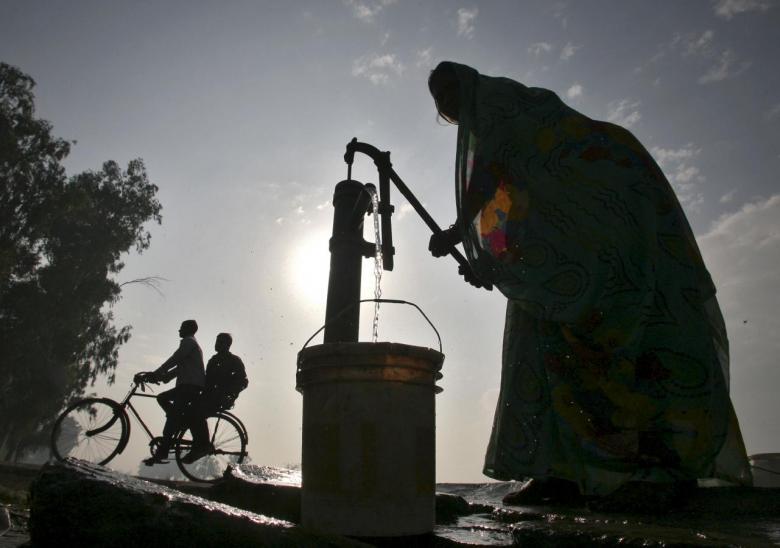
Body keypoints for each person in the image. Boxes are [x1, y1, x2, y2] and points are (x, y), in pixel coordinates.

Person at [427, 61, 752, 510]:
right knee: (540, 332)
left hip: (617, 216)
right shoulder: (511, 127)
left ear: (464, 88)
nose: (451, 111)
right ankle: (558, 473)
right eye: (443, 107)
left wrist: (461, 232)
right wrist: (492, 263)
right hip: (566, 247)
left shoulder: (502, 103)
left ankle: (665, 470)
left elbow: (494, 171)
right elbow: (511, 199)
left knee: (642, 332)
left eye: (449, 100)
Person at [135, 319, 211, 465]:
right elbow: (180, 367)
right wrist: (163, 377)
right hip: (188, 386)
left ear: (188, 329)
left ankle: (164, 447)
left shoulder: (188, 342)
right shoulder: (191, 344)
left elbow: (175, 359)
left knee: (167, 410)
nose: (179, 330)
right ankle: (177, 420)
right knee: (164, 400)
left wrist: (156, 373)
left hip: (189, 387)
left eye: (181, 327)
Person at [200, 333, 248, 414]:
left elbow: (243, 381)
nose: (217, 344)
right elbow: (207, 380)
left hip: (221, 397)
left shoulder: (234, 360)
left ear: (228, 345)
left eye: (221, 342)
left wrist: (231, 396)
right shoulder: (213, 360)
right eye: (217, 342)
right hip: (209, 395)